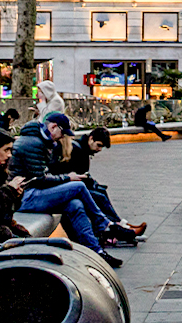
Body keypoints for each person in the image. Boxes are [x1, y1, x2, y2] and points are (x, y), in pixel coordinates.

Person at [9, 113, 127, 267]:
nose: (62, 138)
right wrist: (67, 178)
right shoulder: (33, 143)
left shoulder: (40, 141)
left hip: (33, 193)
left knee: (75, 204)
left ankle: (95, 252)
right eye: (62, 133)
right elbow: (40, 179)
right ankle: (104, 224)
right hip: (25, 198)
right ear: (53, 127)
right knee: (78, 186)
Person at [55, 127, 145, 240]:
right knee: (99, 197)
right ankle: (117, 227)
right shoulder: (77, 150)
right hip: (68, 188)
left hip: (70, 186)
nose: (99, 149)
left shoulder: (80, 149)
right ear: (91, 139)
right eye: (98, 145)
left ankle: (118, 224)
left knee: (100, 192)